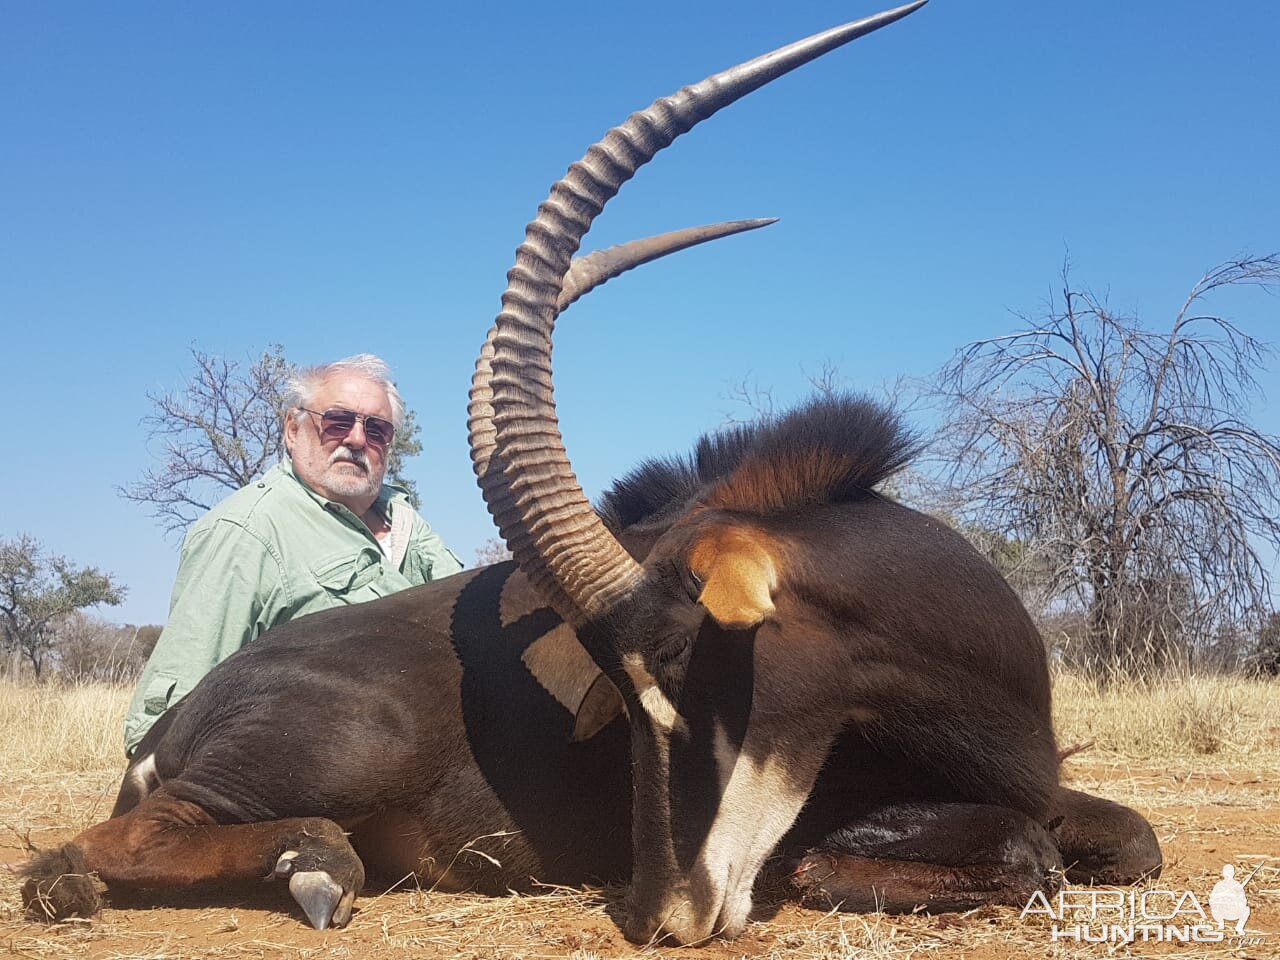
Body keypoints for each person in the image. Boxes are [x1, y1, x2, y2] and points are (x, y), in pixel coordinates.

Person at [124, 354, 463, 756]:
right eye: (338, 421)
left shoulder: (407, 523)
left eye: (377, 429)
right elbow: (164, 724)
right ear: (292, 429)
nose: (357, 440)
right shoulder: (245, 532)